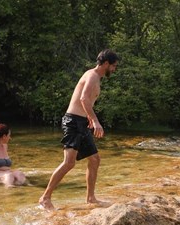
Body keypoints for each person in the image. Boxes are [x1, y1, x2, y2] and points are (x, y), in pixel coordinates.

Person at [38, 49, 120, 210]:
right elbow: (83, 98)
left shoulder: (97, 77)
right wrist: (95, 120)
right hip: (73, 122)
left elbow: (86, 101)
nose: (114, 69)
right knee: (69, 163)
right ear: (105, 63)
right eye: (113, 66)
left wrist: (88, 119)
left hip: (82, 122)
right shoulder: (91, 76)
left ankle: (91, 198)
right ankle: (45, 198)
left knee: (95, 159)